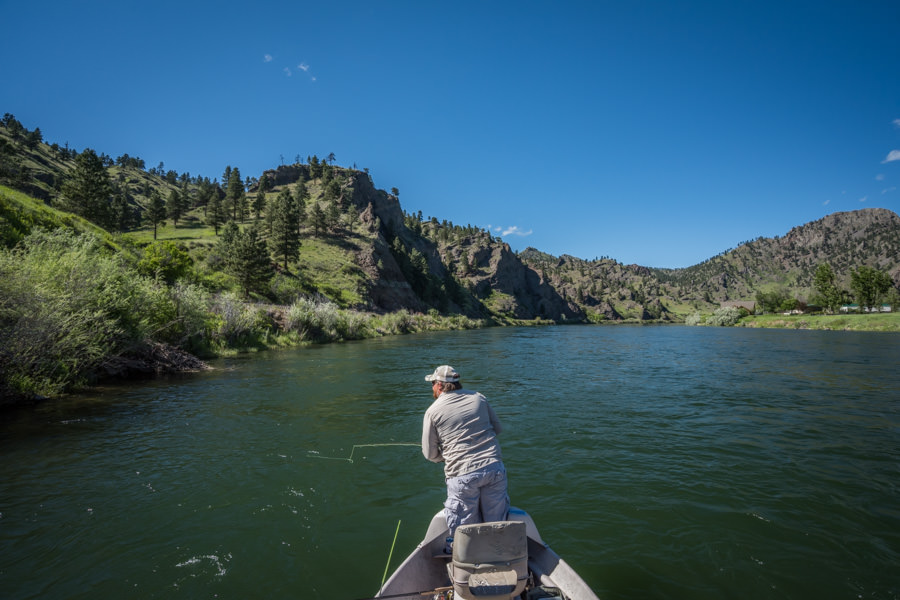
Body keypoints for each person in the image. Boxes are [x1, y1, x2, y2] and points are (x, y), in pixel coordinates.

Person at [421, 365, 510, 549]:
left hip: (462, 476)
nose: (431, 388)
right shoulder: (479, 398)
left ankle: (468, 565)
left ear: (439, 385)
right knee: (496, 525)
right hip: (494, 468)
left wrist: (444, 456)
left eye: (432, 384)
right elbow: (498, 429)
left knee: (465, 532)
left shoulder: (433, 411)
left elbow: (429, 454)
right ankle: (499, 555)